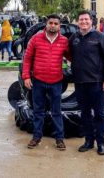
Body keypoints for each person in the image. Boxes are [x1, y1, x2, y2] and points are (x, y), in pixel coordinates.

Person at [69, 11, 104, 155]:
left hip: (97, 83)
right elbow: (69, 55)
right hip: (80, 83)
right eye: (81, 19)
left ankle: (101, 143)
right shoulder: (74, 38)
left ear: (91, 21)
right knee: (85, 114)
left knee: (100, 114)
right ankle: (89, 141)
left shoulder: (99, 37)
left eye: (86, 19)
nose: (84, 22)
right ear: (78, 22)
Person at [22, 14, 70, 151]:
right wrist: (26, 76)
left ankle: (59, 139)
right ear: (46, 24)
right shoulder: (36, 39)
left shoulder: (64, 41)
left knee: (56, 111)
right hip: (38, 82)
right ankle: (36, 137)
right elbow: (27, 58)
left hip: (56, 82)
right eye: (51, 23)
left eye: (56, 23)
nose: (53, 25)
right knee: (38, 111)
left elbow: (72, 57)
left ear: (59, 26)